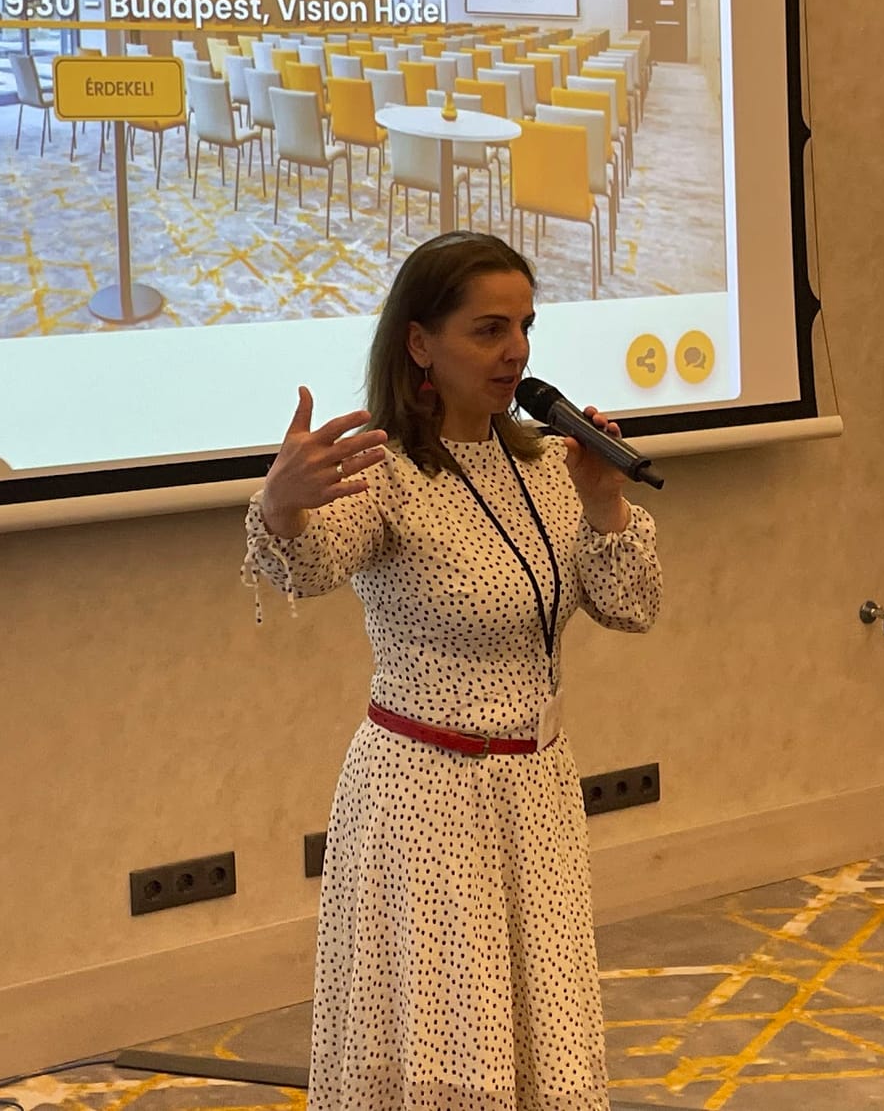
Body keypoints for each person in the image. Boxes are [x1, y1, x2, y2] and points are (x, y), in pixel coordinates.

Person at [243, 231, 662, 1111]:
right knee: (446, 1043)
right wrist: (280, 508)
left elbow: (631, 606)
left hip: (538, 794)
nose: (516, 351)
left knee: (540, 1034)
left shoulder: (547, 463)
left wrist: (604, 500)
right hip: (426, 802)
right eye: (488, 329)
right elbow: (307, 568)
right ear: (420, 343)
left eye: (525, 326)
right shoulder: (385, 472)